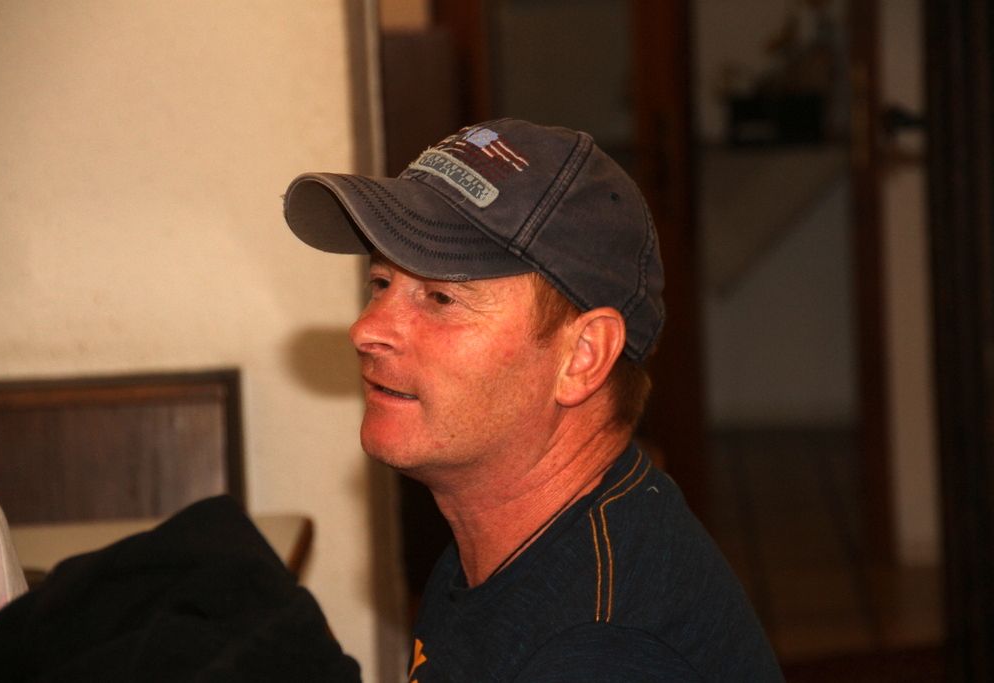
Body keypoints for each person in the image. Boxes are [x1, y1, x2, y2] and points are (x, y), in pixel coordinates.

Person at [283, 118, 783, 682]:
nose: (367, 330)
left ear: (582, 357)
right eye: (380, 284)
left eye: (441, 298)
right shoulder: (508, 542)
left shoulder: (600, 649)